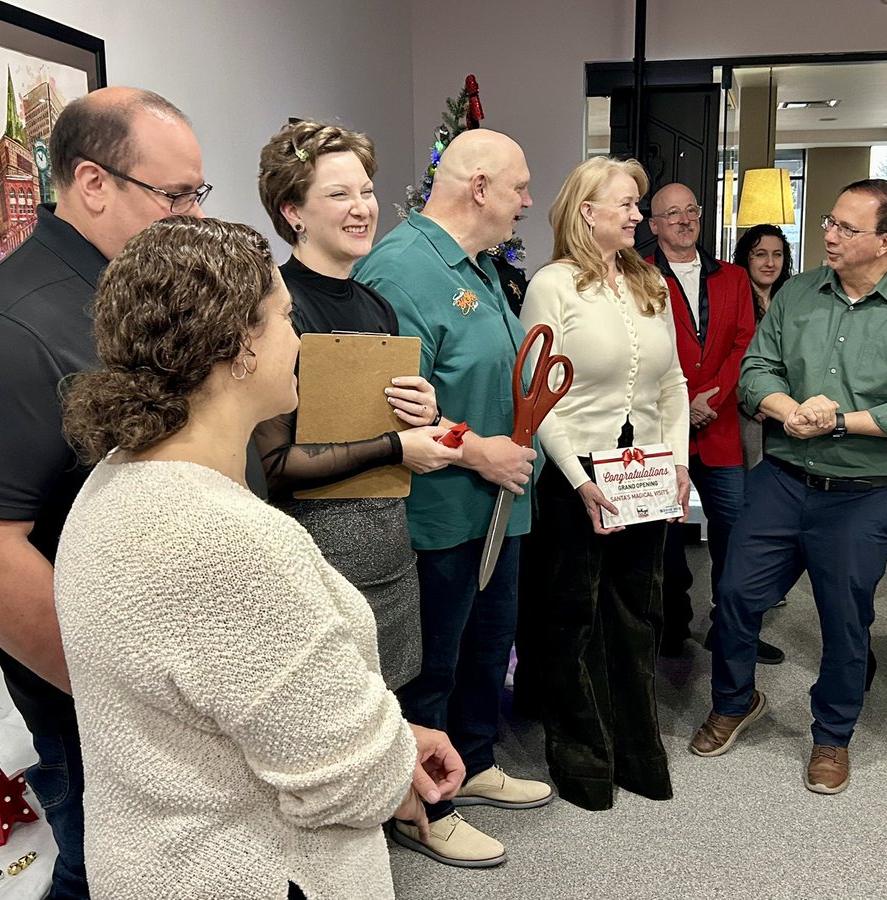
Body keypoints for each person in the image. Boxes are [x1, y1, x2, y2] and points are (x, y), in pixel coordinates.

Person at [54, 216, 462, 899]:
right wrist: (386, 765)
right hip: (254, 870)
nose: (297, 340)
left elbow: (232, 705)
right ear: (240, 343)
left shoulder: (115, 480)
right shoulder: (224, 540)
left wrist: (387, 735)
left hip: (159, 860)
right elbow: (350, 785)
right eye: (285, 318)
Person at [0, 87, 221, 898]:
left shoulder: (130, 292)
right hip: (106, 703)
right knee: (109, 874)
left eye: (200, 193)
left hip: (177, 674)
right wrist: (113, 682)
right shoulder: (10, 331)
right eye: (175, 196)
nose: (194, 216)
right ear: (93, 183)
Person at [689, 179, 887, 794]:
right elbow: (757, 369)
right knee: (733, 595)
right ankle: (735, 701)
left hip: (864, 495)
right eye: (830, 222)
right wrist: (789, 412)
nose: (829, 235)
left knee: (845, 622)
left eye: (847, 228)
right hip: (783, 480)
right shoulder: (799, 293)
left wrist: (838, 420)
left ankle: (832, 737)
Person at [353, 129, 551, 867]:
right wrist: (480, 450)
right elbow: (391, 407)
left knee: (487, 643)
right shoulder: (400, 272)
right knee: (433, 659)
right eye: (519, 187)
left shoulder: (477, 265)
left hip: (498, 503)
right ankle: (423, 806)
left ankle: (477, 756)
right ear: (478, 188)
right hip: (443, 508)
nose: (527, 201)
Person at [255, 120, 460, 691]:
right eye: (338, 194)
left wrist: (421, 411)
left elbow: (367, 422)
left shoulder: (377, 308)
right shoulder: (274, 309)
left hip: (389, 551)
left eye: (366, 191)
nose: (361, 208)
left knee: (396, 719)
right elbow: (273, 468)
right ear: (292, 210)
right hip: (315, 564)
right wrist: (398, 445)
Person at [520, 157, 689, 810]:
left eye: (637, 205)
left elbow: (672, 383)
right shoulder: (552, 286)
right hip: (576, 477)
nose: (638, 215)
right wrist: (575, 479)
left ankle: (639, 750)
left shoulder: (650, 283)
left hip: (643, 470)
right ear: (587, 211)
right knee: (573, 619)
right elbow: (540, 397)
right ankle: (584, 756)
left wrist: (677, 462)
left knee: (637, 615)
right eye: (626, 204)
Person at [645, 183, 784, 665]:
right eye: (671, 213)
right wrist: (684, 401)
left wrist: (713, 397)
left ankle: (732, 628)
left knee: (736, 534)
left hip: (721, 428)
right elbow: (639, 352)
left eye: (691, 211)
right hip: (662, 430)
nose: (684, 220)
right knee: (661, 537)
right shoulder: (637, 276)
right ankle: (670, 626)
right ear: (654, 224)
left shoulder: (732, 278)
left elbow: (746, 344)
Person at [732, 224, 794, 470]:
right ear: (746, 259)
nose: (770, 262)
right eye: (760, 254)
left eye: (777, 254)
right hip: (745, 411)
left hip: (785, 409)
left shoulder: (791, 299)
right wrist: (748, 399)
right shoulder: (736, 300)